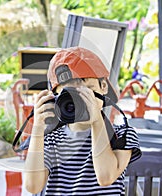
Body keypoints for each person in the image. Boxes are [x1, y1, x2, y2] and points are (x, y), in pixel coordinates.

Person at [24, 46, 141, 195]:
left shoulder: (122, 135)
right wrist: (38, 129)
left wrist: (96, 120)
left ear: (103, 86)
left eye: (87, 91)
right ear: (56, 98)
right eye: (70, 94)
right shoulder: (51, 139)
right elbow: (33, 186)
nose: (80, 101)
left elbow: (105, 177)